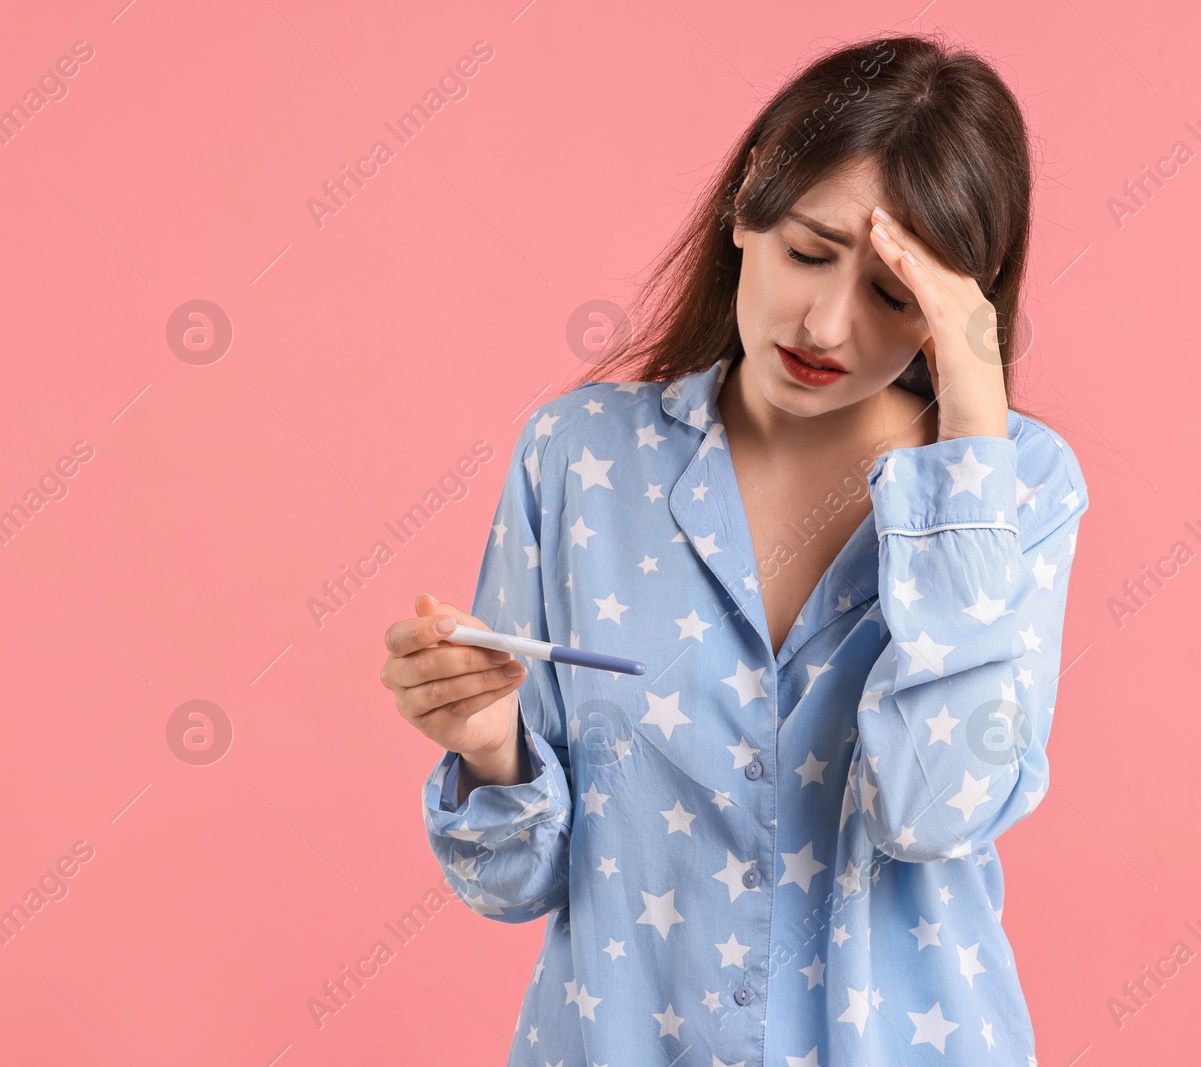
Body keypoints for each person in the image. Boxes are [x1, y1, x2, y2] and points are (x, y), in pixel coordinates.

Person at [379, 32, 1089, 1067]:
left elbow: (941, 810)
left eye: (896, 296)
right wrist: (491, 743)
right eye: (808, 251)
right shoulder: (578, 457)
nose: (826, 320)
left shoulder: (1017, 485)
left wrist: (971, 424)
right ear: (749, 199)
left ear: (956, 311)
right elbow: (511, 881)